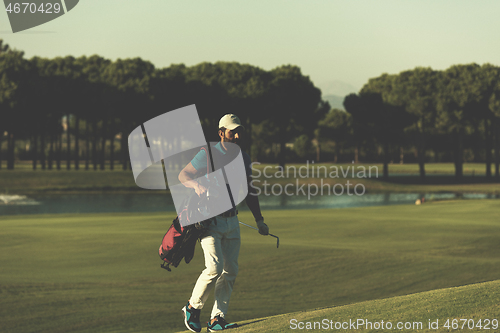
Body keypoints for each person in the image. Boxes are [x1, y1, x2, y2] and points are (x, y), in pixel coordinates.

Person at [178, 114, 268, 332]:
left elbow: (249, 190)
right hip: (209, 221)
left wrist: (260, 219)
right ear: (221, 133)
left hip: (232, 220)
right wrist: (197, 186)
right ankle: (192, 306)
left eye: (239, 132)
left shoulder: (243, 158)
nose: (237, 135)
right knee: (214, 267)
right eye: (232, 132)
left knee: (230, 271)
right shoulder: (207, 154)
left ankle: (217, 318)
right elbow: (184, 175)